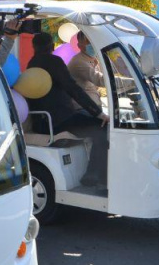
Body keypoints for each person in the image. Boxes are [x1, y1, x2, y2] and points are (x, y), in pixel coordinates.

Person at [27, 32, 109, 189]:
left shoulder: (32, 63)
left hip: (45, 120)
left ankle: (97, 174)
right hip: (60, 119)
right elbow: (73, 88)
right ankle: (94, 175)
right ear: (52, 46)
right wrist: (97, 112)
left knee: (92, 121)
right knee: (102, 127)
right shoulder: (54, 61)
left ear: (34, 47)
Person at [67, 31, 103, 108]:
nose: (92, 44)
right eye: (87, 42)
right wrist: (131, 82)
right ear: (79, 46)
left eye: (92, 41)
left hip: (92, 105)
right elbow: (100, 80)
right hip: (84, 108)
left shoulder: (93, 60)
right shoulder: (79, 62)